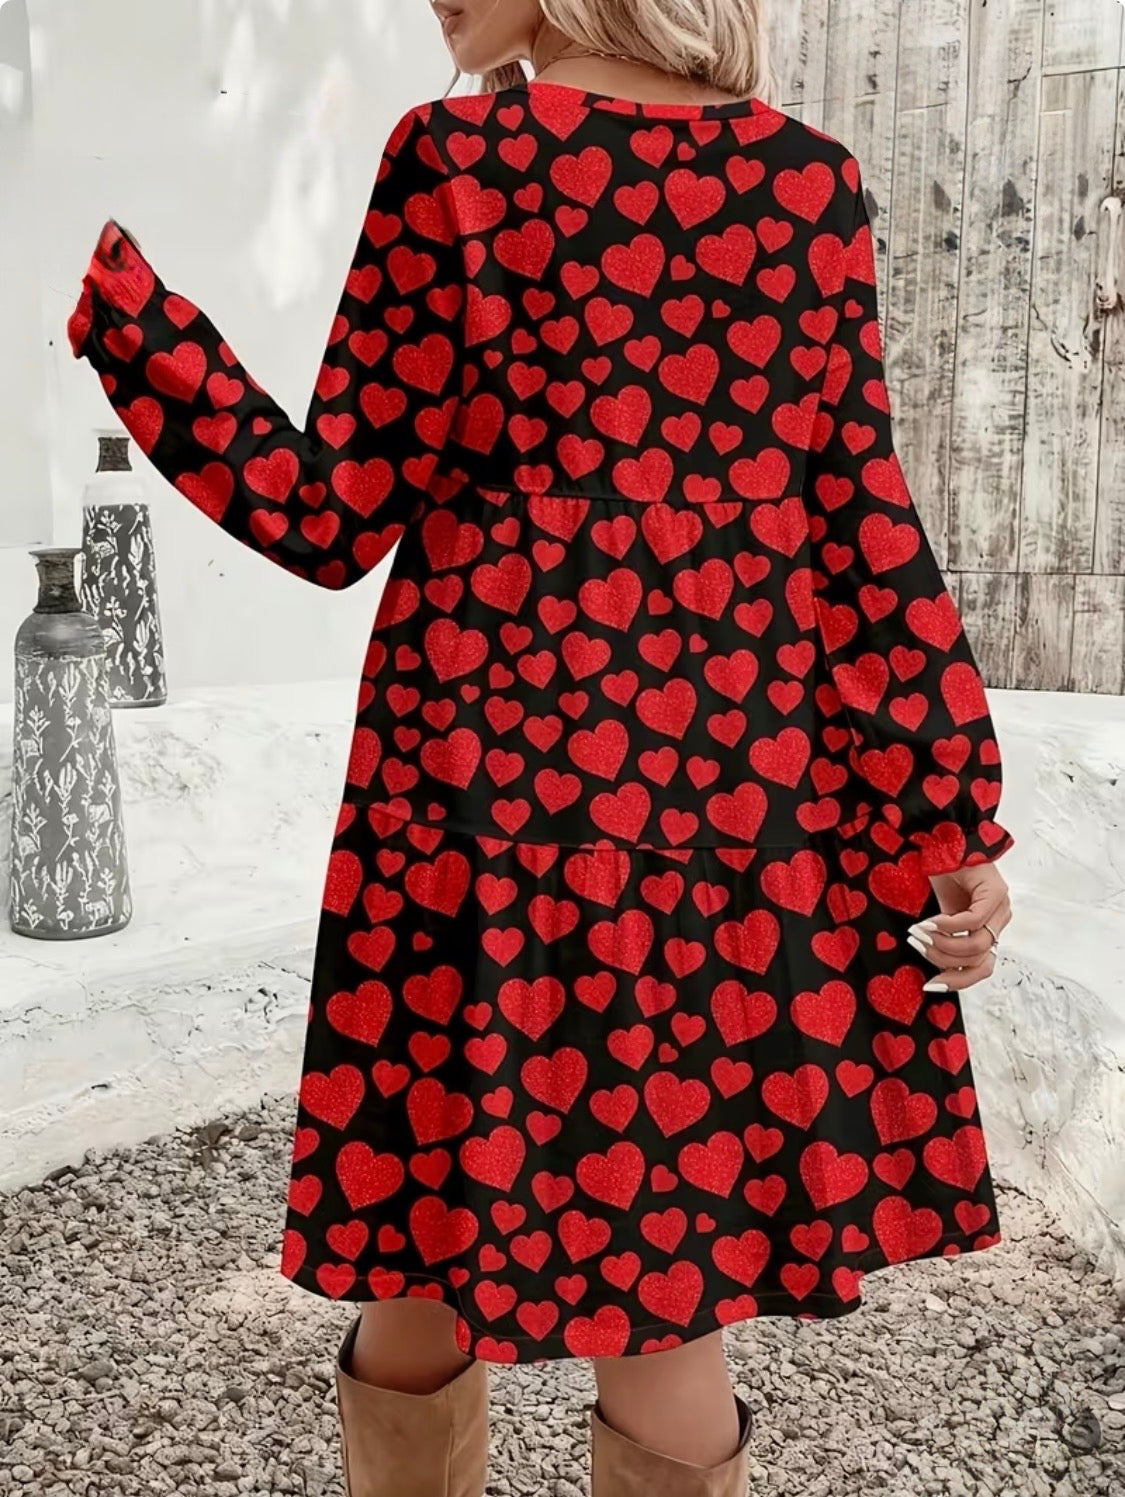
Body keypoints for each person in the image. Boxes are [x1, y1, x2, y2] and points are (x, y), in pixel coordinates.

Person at [67, 1, 1017, 1493]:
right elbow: (859, 528)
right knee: (666, 1288)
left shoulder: (457, 161)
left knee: (419, 1232)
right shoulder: (809, 186)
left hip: (470, 800)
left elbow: (331, 515)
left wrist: (138, 332)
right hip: (716, 808)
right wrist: (944, 811)